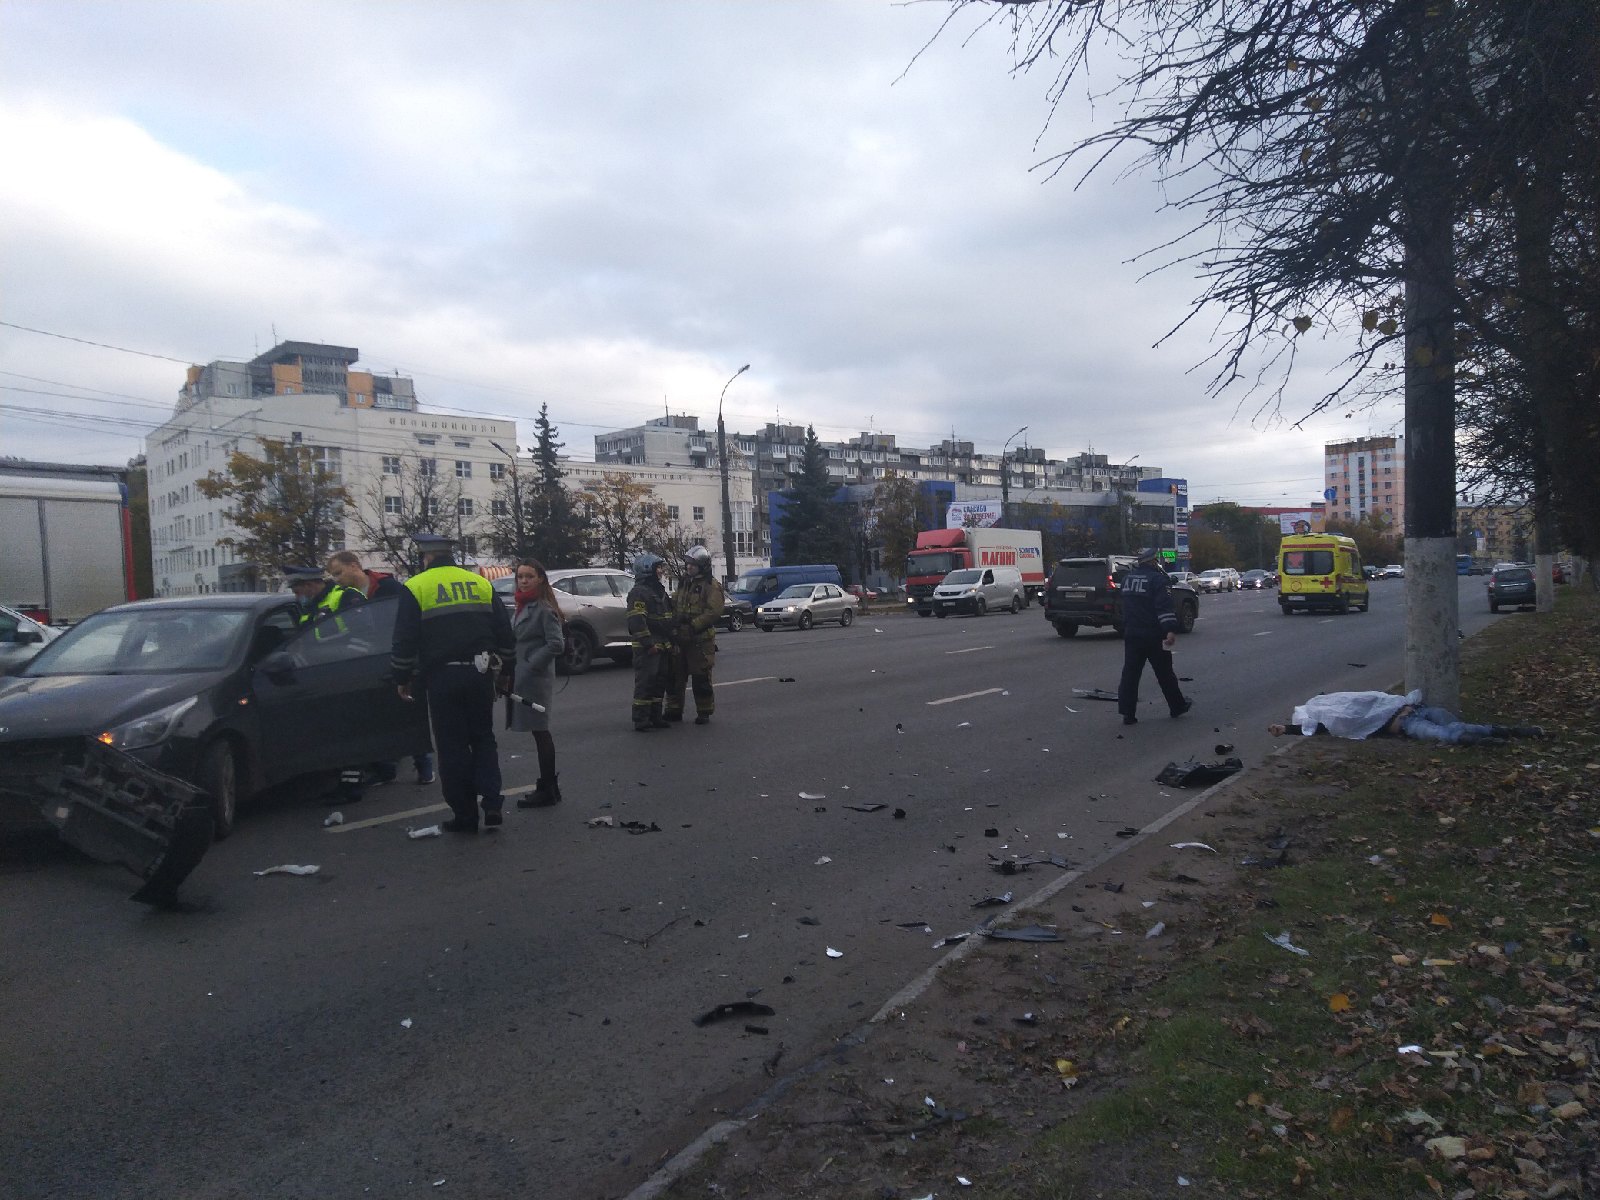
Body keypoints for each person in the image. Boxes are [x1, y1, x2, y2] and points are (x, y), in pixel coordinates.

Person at [390, 532, 516, 833]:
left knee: (452, 747)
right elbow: (505, 635)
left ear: (427, 556)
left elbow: (405, 640)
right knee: (483, 738)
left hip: (442, 677)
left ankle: (465, 815)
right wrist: (506, 672)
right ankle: (493, 804)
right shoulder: (480, 583)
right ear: (451, 555)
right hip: (479, 673)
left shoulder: (416, 586)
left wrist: (402, 678)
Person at [326, 549, 436, 785]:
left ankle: (424, 765)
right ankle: (386, 768)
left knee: (407, 711)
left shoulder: (388, 588)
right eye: (333, 575)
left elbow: (406, 622)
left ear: (354, 566)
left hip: (396, 656)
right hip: (369, 662)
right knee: (378, 716)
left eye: (338, 572)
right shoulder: (345, 596)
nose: (336, 579)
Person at [1267, 689, 1544, 746]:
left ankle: (1513, 733)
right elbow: (1321, 729)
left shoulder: (1349, 702)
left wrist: (1407, 706)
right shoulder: (1341, 721)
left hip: (1416, 709)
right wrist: (1287, 730)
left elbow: (1375, 698)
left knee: (1452, 726)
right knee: (1448, 734)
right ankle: (1500, 738)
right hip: (1409, 722)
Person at [508, 559, 567, 808]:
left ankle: (548, 788)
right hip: (523, 675)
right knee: (538, 732)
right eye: (520, 576)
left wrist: (531, 664)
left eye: (528, 576)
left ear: (540, 579)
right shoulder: (523, 605)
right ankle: (548, 787)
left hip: (536, 678)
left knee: (541, 732)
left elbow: (556, 644)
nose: (523, 581)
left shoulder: (543, 608)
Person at [1116, 546, 1192, 726]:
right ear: (1151, 562)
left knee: (1130, 674)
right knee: (1165, 673)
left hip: (1132, 633)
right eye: (1156, 560)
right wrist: (1170, 630)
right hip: (1153, 634)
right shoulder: (1158, 580)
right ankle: (1177, 706)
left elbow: (1125, 606)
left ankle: (1128, 713)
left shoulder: (1128, 579)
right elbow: (1164, 607)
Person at [664, 545, 724, 725]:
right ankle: (673, 710)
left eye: (693, 564)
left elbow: (714, 611)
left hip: (700, 640)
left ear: (702, 565)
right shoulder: (684, 582)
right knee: (674, 675)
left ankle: (704, 712)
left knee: (701, 677)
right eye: (687, 564)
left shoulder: (711, 586)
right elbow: (676, 601)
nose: (689, 567)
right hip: (680, 637)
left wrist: (694, 625)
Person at [625, 553, 677, 731]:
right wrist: (649, 644)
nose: (661, 571)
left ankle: (655, 716)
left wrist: (672, 639)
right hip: (648, 648)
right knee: (646, 683)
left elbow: (667, 618)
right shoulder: (639, 593)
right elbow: (637, 621)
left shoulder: (659, 591)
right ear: (647, 570)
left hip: (662, 644)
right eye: (658, 568)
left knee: (659, 682)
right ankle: (641, 719)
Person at [284, 564, 364, 628]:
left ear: (309, 585)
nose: (297, 597)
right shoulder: (309, 607)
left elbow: (361, 631)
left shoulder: (347, 596)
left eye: (297, 592)